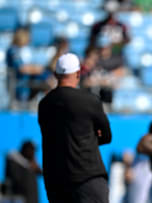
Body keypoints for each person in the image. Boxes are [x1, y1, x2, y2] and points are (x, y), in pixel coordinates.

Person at [38, 53, 112, 203]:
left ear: (55, 74)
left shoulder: (45, 104)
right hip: (88, 176)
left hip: (56, 180)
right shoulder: (89, 100)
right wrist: (89, 138)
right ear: (78, 73)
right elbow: (106, 136)